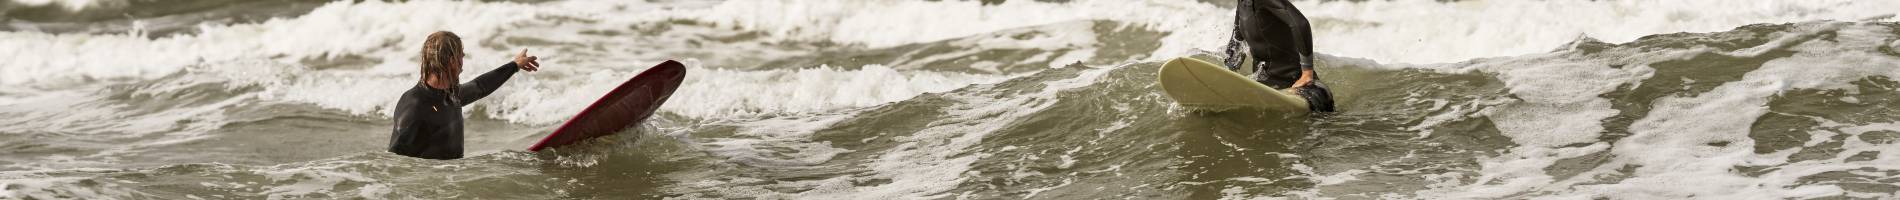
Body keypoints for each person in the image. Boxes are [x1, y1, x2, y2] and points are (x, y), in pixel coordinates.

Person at [389, 31, 541, 159]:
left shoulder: (450, 95)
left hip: (451, 181)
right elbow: (394, 163)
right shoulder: (414, 107)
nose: (463, 63)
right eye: (461, 56)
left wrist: (514, 65)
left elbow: (480, 87)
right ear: (452, 61)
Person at [1223, 0, 1335, 112]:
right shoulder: (1242, 3)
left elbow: (1301, 23)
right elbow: (1237, 40)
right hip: (1265, 86)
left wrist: (1307, 73)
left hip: (1298, 85)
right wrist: (1228, 71)